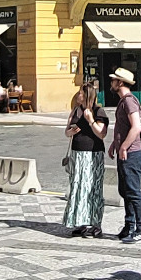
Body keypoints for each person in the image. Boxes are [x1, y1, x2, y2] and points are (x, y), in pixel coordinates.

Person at [107, 67, 141, 244]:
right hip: (125, 151)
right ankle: (129, 225)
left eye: (113, 80)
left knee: (133, 191)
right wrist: (114, 145)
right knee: (125, 190)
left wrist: (123, 147)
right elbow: (123, 128)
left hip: (131, 153)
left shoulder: (129, 102)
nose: (111, 83)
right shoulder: (124, 101)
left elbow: (136, 127)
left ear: (120, 82)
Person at [61, 79, 108, 238]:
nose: (78, 95)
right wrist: (70, 132)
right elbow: (67, 131)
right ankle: (79, 222)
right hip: (77, 153)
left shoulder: (98, 111)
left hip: (93, 153)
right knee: (77, 187)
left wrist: (90, 120)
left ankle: (96, 224)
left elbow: (101, 133)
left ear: (87, 96)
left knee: (92, 188)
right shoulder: (75, 110)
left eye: (81, 93)